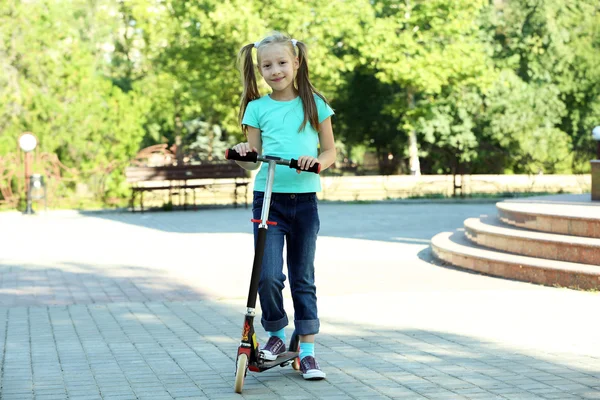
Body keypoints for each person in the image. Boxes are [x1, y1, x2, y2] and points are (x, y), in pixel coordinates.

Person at [231, 31, 336, 380]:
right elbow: (253, 162)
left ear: (296, 62)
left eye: (281, 63)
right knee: (268, 274)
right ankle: (276, 334)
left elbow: (330, 151)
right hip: (269, 200)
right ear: (259, 69)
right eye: (266, 65)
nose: (275, 71)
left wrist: (316, 162)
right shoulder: (256, 108)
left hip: (305, 201)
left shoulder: (314, 103)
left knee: (302, 277)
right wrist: (244, 156)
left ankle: (306, 352)